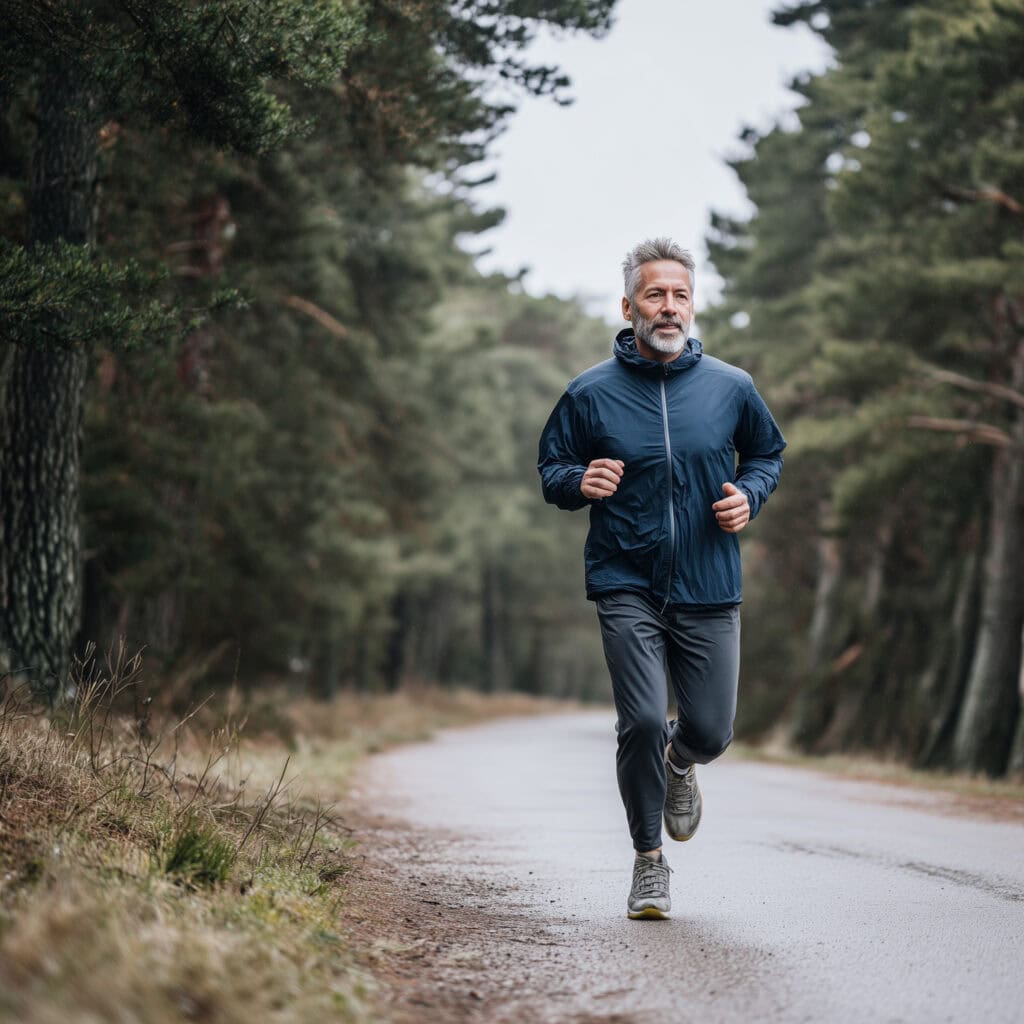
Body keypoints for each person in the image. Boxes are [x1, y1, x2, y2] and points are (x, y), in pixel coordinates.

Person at [537, 237, 785, 919]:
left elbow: (767, 453)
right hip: (626, 580)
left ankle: (682, 764)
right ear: (629, 306)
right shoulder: (589, 393)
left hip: (709, 580)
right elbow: (552, 470)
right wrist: (579, 481)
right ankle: (649, 861)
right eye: (655, 294)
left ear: (692, 303)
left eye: (680, 295)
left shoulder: (731, 388)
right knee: (641, 720)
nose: (669, 307)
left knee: (710, 732)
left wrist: (750, 495)